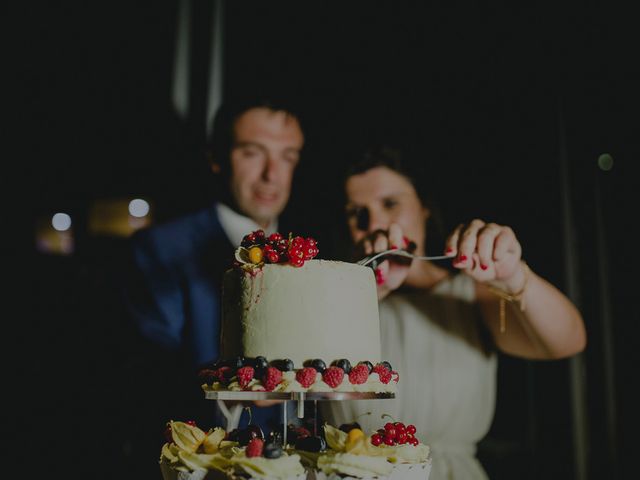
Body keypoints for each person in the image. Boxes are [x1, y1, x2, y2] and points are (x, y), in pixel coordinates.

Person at [320, 144, 587, 480]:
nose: (373, 222)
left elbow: (568, 341)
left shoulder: (470, 294)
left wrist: (514, 274)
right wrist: (370, 290)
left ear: (424, 208)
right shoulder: (327, 298)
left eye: (390, 203)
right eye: (355, 211)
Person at [122, 95, 305, 453]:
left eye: (287, 157)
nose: (272, 174)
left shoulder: (308, 254)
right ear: (217, 159)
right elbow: (149, 378)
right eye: (253, 153)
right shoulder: (161, 248)